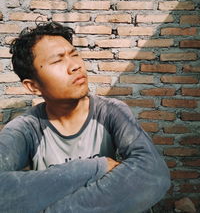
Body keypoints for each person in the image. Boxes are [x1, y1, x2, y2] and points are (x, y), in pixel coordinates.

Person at [0, 21, 170, 213]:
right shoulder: (25, 129)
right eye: (57, 61)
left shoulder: (111, 112)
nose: (75, 66)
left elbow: (152, 172)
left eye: (74, 55)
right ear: (33, 86)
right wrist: (94, 168)